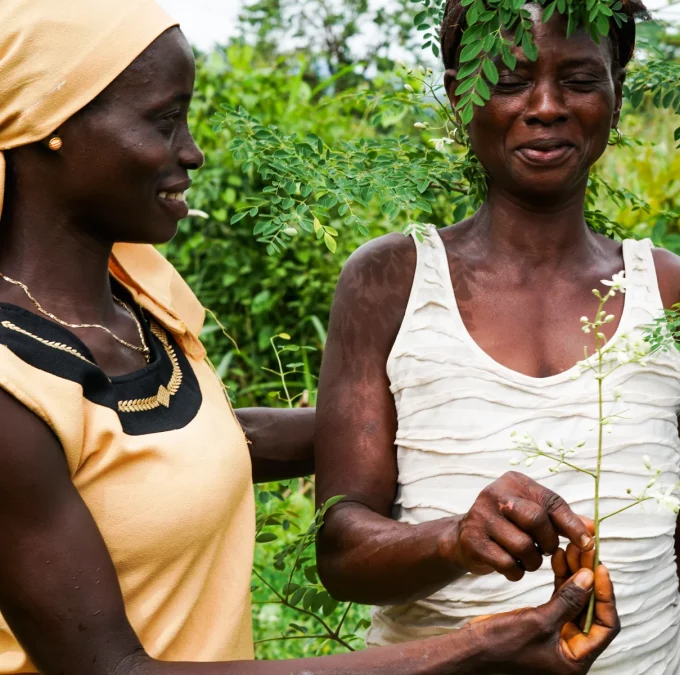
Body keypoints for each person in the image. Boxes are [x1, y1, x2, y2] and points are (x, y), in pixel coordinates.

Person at [0, 1, 620, 673]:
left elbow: (186, 450)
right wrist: (474, 649)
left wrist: (457, 398)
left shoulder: (129, 311)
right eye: (163, 120)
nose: (192, 150)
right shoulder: (12, 388)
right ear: (51, 129)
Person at [313, 1, 680, 673]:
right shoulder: (388, 283)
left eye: (578, 78)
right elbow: (340, 552)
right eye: (509, 80)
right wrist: (455, 540)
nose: (546, 106)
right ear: (460, 93)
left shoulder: (673, 295)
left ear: (616, 89)